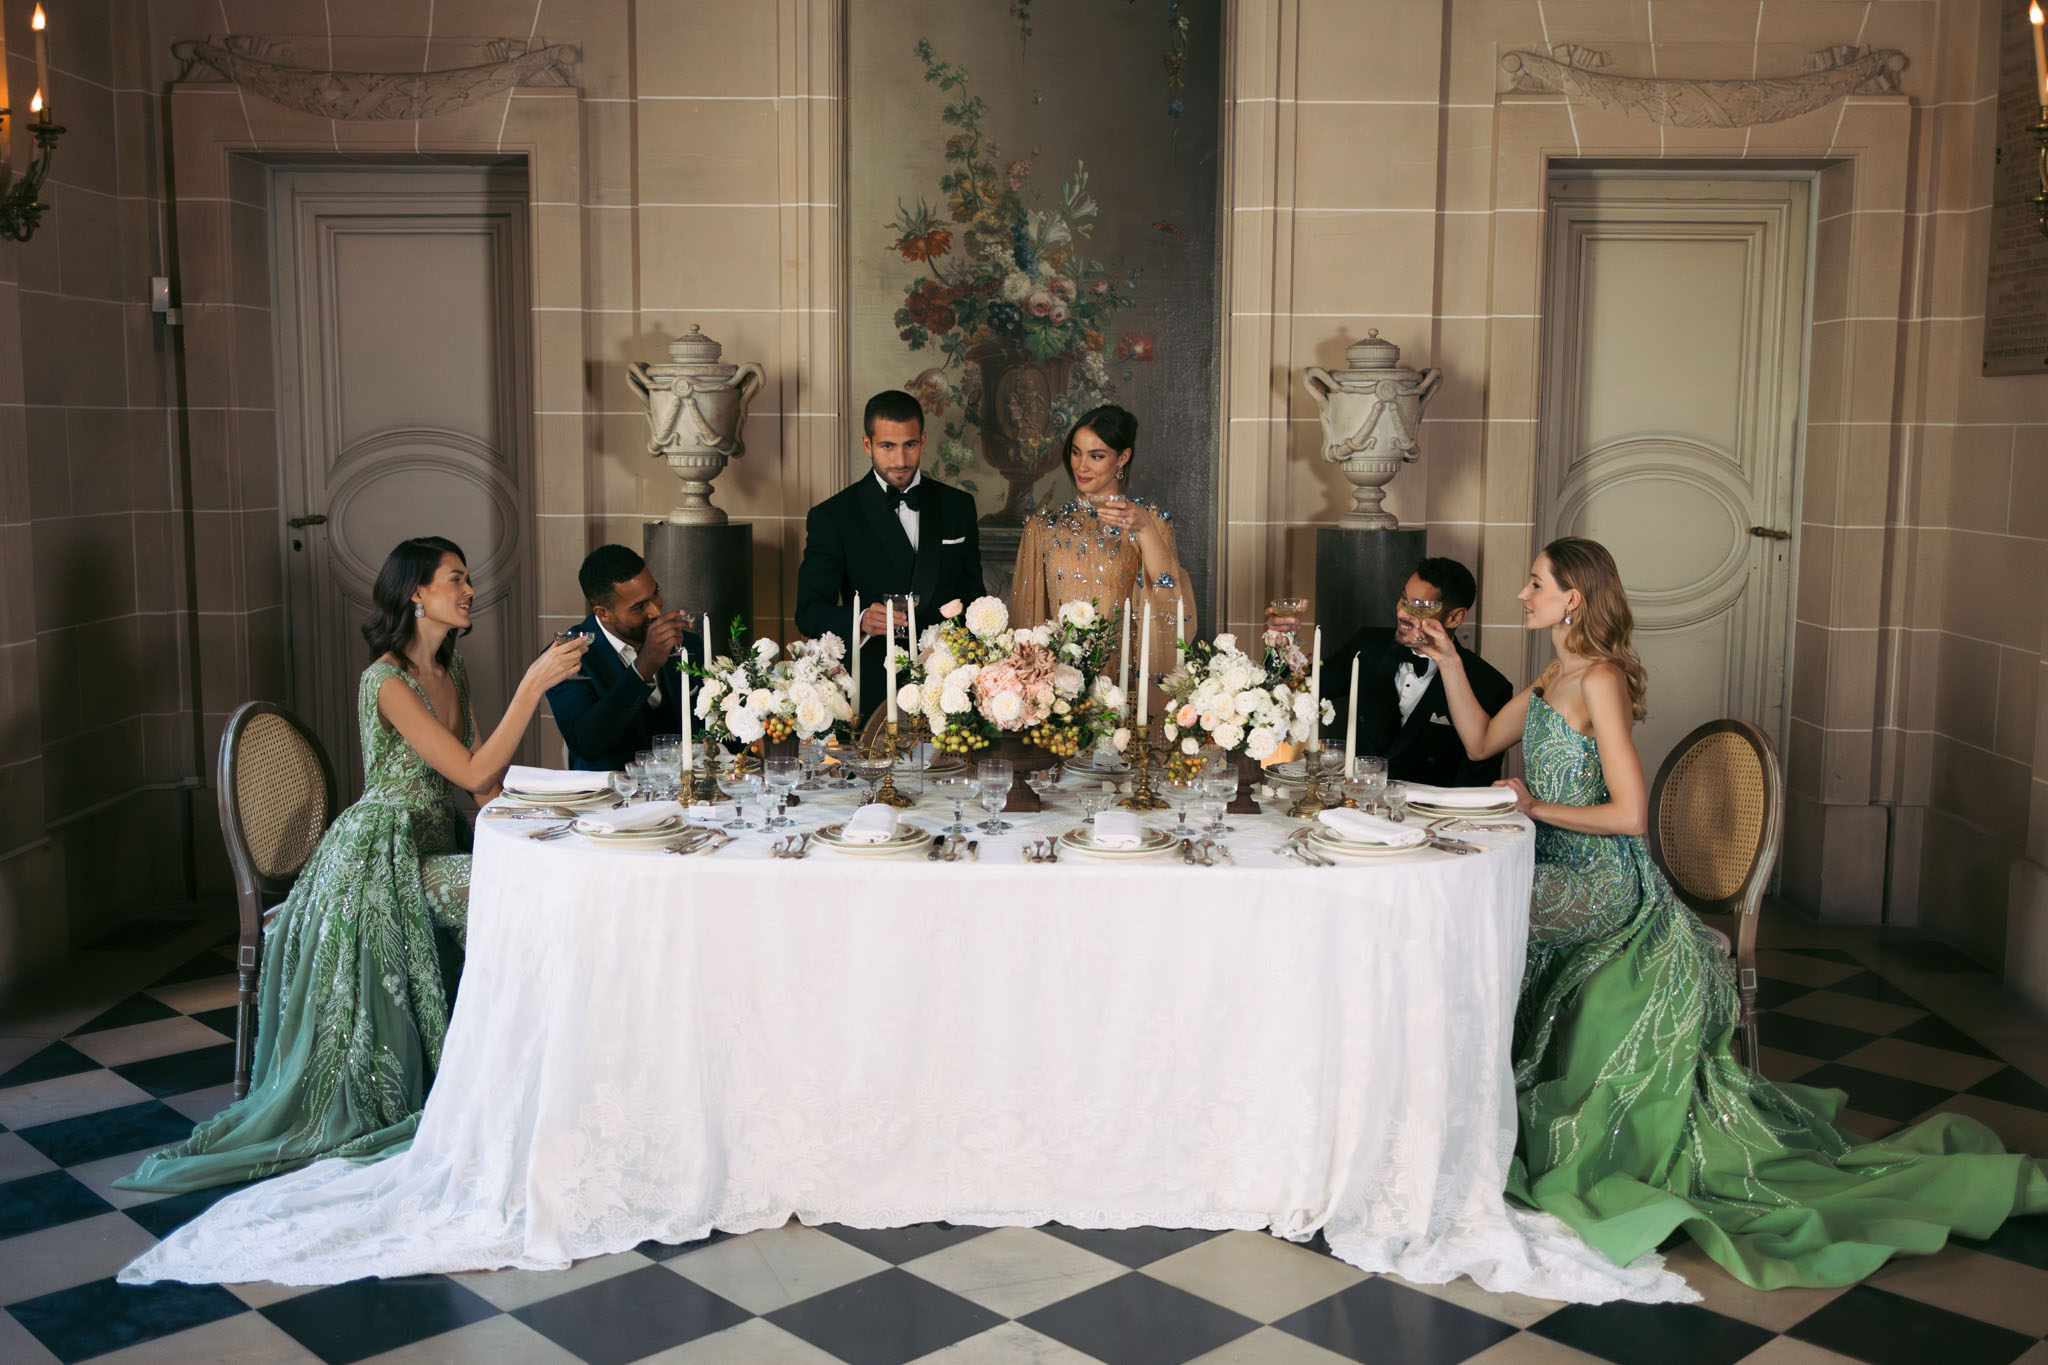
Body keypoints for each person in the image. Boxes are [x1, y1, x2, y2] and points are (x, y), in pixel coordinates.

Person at [1415, 535, 2047, 1289]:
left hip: (1605, 884)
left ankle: (1453, 1121)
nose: (1522, 594)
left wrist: (1536, 803)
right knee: (1472, 917)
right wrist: (1449, 662)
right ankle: (1453, 1121)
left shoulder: (1602, 679)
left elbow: (1629, 814)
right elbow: (1483, 736)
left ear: (1573, 597)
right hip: (1555, 864)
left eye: (1535, 582)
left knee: (1470, 929)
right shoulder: (1555, 669)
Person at [118, 537, 588, 1194]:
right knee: (507, 896)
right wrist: (532, 687)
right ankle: (501, 1078)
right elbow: (477, 771)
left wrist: (557, 811)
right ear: (416, 593)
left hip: (430, 841)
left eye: (468, 580)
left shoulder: (454, 674)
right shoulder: (385, 681)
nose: (470, 590)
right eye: (456, 579)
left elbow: (484, 790)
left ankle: (525, 1075)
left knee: (533, 882)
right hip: (377, 855)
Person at [794, 389, 985, 717]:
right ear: (867, 444)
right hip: (871, 688)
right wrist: (861, 619)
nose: (900, 460)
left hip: (948, 687)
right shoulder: (833, 516)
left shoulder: (958, 506)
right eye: (887, 446)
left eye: (909, 445)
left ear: (923, 441)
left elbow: (974, 599)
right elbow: (808, 612)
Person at [1008, 405, 1188, 711]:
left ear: (1123, 457)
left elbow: (1170, 599)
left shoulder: (1151, 522)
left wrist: (1142, 527)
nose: (1082, 466)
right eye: (1076, 453)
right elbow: (1027, 618)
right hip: (1057, 695)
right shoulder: (1042, 528)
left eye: (1097, 455)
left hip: (1127, 692)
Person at [1323, 557, 1513, 787]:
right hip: (1361, 806)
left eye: (1418, 607)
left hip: (1432, 818)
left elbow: (1478, 783)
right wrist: (1279, 647)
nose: (1402, 613)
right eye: (1404, 599)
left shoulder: (1489, 686)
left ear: (1455, 617)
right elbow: (1306, 689)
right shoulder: (1367, 648)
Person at [549, 544, 705, 771]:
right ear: (603, 613)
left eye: (656, 593)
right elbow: (587, 744)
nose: (656, 612)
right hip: (608, 794)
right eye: (639, 607)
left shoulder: (687, 644)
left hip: (684, 793)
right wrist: (643, 669)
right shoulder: (567, 656)